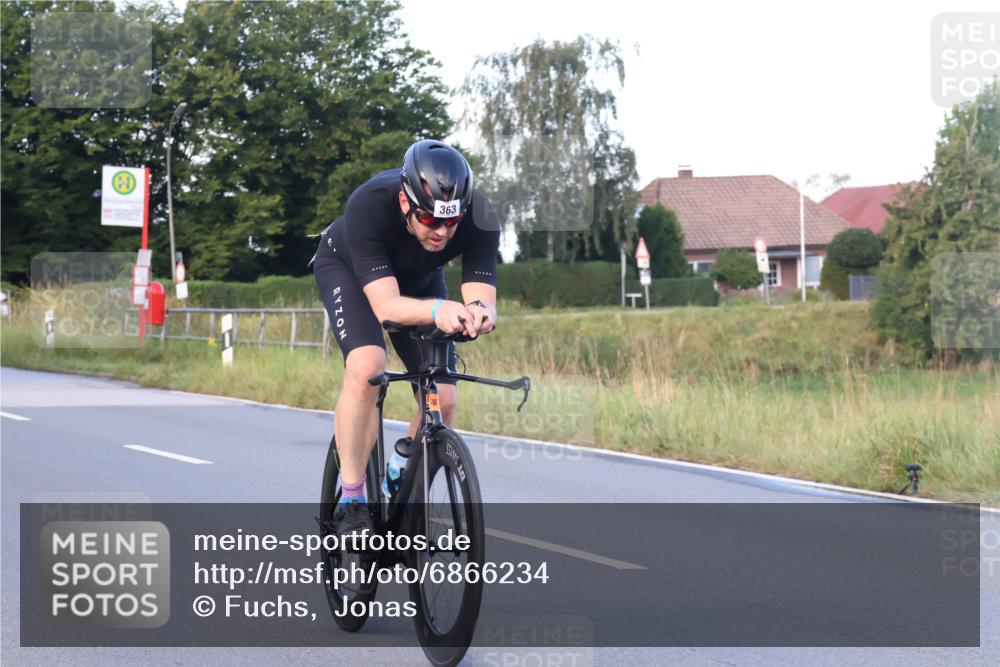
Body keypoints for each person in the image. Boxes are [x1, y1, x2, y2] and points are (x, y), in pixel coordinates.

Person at [313, 139, 499, 537]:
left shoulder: (479, 215)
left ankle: (401, 471)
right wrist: (437, 311)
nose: (443, 232)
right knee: (367, 367)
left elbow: (481, 291)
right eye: (431, 220)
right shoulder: (368, 205)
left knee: (444, 398)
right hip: (348, 270)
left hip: (418, 280)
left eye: (452, 222)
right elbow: (387, 307)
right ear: (404, 202)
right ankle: (351, 497)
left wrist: (480, 313)